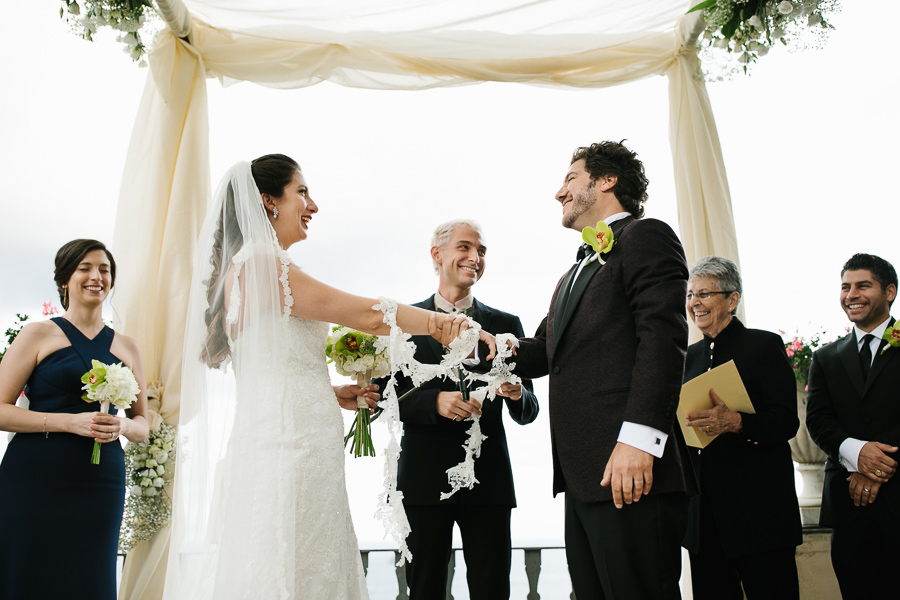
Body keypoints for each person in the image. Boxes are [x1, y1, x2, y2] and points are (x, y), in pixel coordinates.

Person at [163, 155, 486, 600]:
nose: (312, 205)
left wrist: (331, 391)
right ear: (268, 202)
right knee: (297, 559)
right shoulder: (262, 263)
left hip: (284, 435)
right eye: (301, 192)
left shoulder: (244, 268)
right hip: (292, 445)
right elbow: (367, 316)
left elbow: (266, 367)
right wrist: (439, 323)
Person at [480, 141, 697, 599]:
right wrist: (484, 344)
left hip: (630, 469)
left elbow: (663, 339)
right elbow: (544, 351)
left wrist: (640, 440)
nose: (559, 193)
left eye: (570, 179)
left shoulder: (647, 236)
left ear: (605, 181)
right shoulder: (572, 273)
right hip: (583, 478)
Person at [381, 219, 539, 600]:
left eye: (482, 251)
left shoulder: (506, 324)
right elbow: (381, 400)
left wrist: (516, 392)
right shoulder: (404, 323)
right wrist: (433, 402)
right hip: (422, 482)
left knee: (492, 590)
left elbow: (529, 409)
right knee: (424, 590)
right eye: (465, 247)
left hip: (489, 483)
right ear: (437, 255)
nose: (475, 258)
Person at [0, 239, 150, 599]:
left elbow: (143, 423)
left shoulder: (128, 347)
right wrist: (66, 423)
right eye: (85, 268)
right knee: (26, 572)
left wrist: (123, 427)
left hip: (100, 481)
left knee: (90, 577)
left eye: (104, 270)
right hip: (34, 477)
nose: (96, 276)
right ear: (65, 279)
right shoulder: (37, 334)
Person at [681, 256, 802, 600]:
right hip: (704, 523)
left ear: (732, 299)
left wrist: (737, 422)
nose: (695, 303)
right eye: (690, 295)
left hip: (760, 517)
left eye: (704, 294)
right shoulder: (687, 358)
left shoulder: (763, 346)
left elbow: (786, 422)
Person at [806, 253, 899, 600]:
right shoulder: (826, 357)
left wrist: (876, 465)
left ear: (889, 292)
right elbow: (817, 419)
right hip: (849, 505)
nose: (851, 294)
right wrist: (857, 455)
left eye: (863, 285)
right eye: (845, 287)